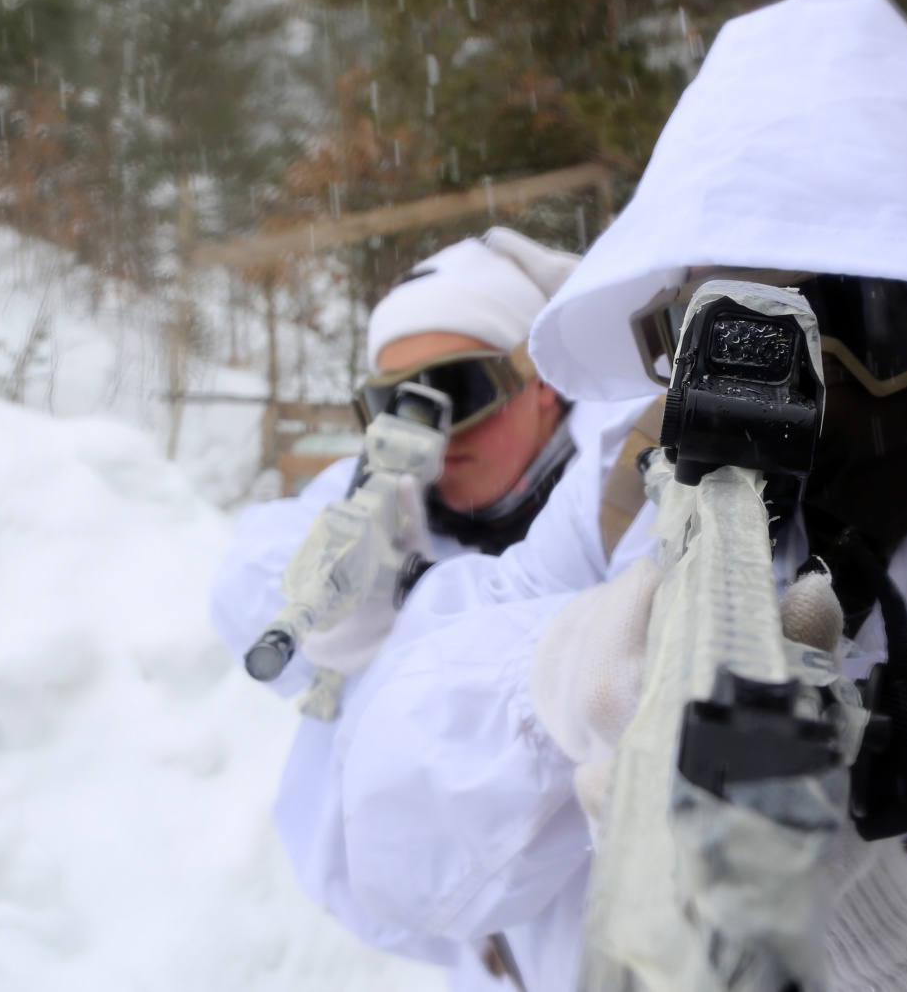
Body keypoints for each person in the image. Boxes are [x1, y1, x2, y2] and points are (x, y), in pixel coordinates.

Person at [318, 0, 907, 991]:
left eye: (875, 315)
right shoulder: (623, 486)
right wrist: (551, 685)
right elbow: (385, 829)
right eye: (739, 322)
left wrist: (859, 923)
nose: (808, 373)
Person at [209, 226, 654, 990]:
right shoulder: (400, 498)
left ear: (541, 378)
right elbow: (244, 579)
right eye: (397, 405)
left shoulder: (619, 488)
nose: (434, 432)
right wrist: (350, 584)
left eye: (461, 390)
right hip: (478, 947)